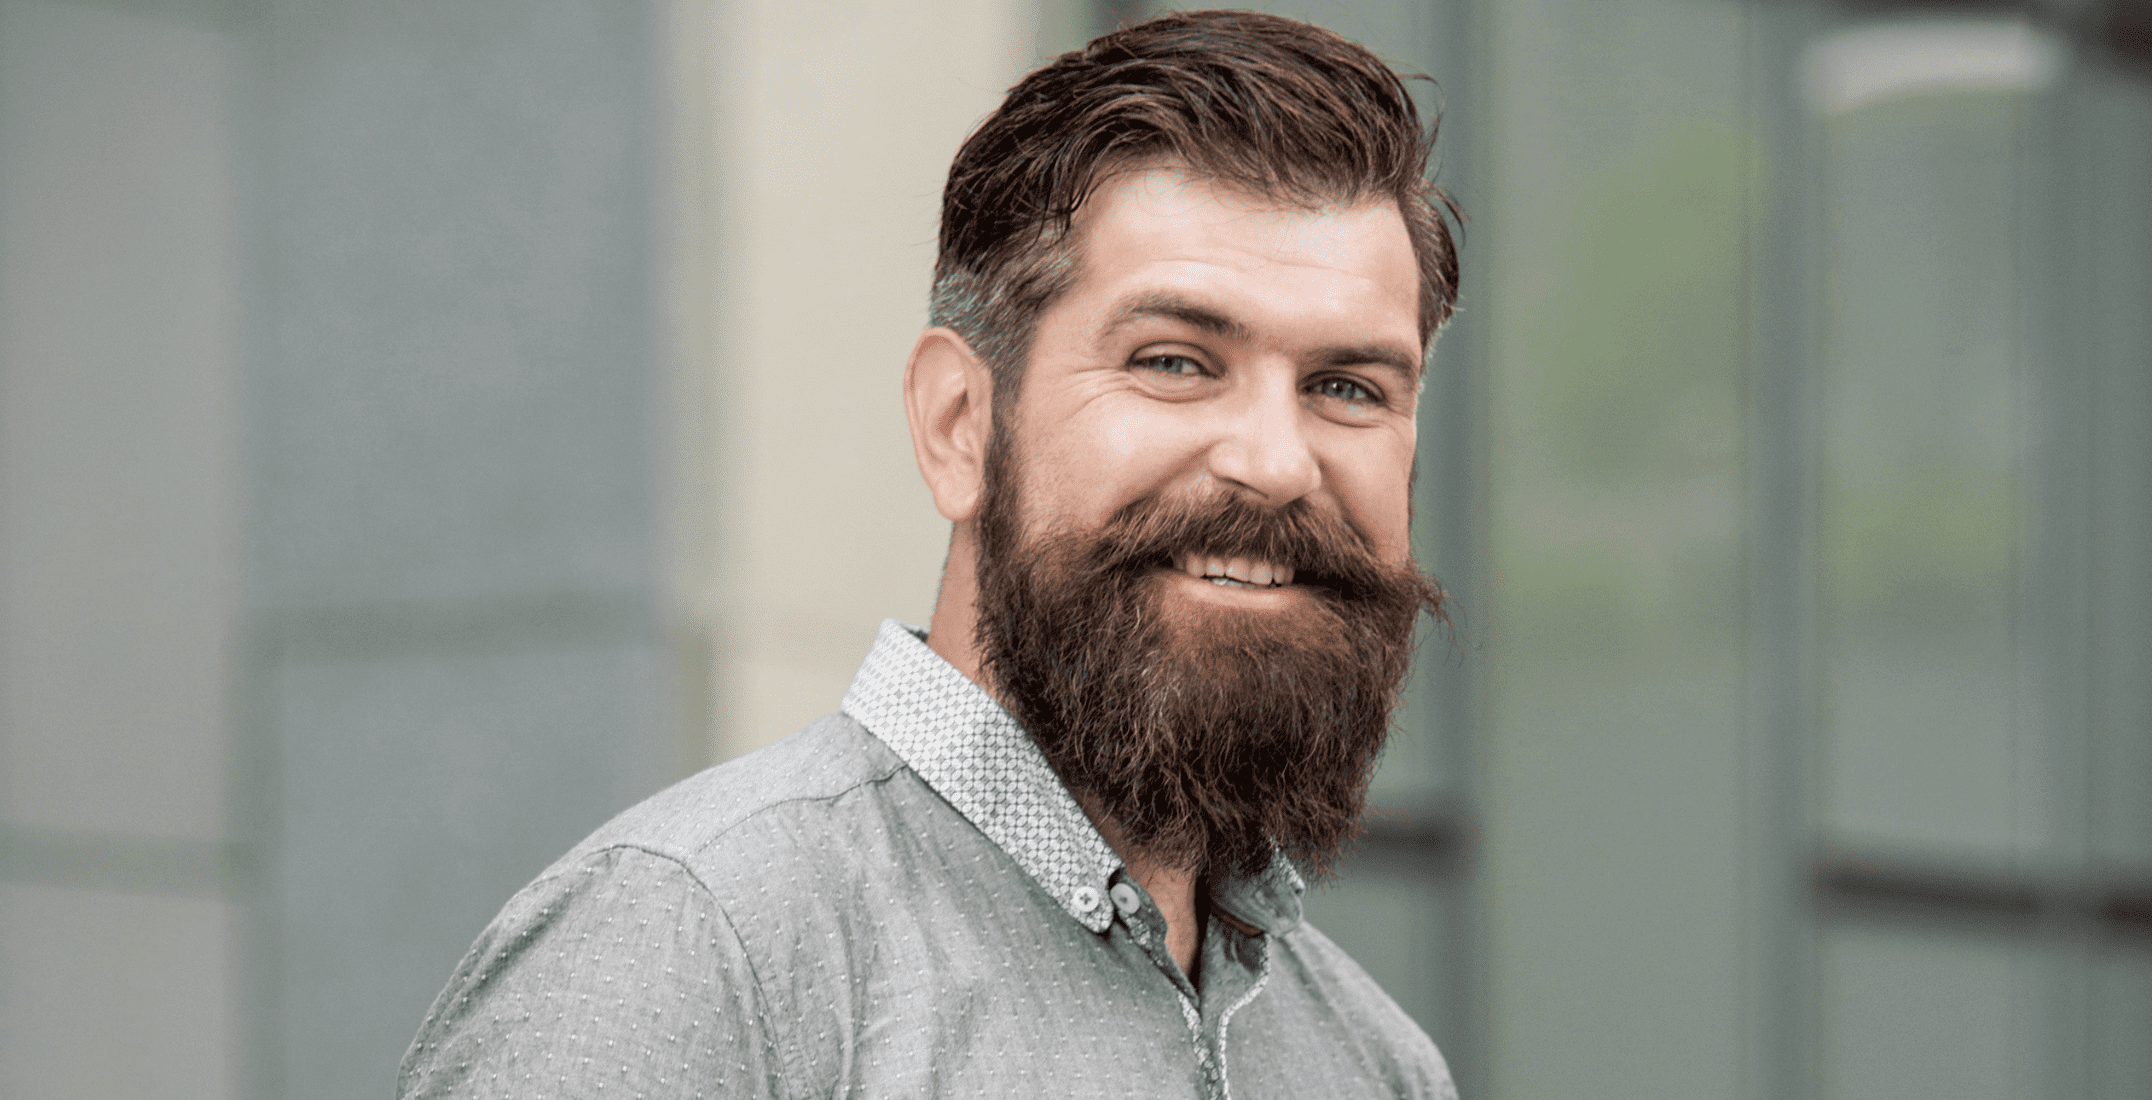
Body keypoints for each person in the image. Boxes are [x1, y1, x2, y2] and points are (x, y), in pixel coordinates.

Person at [399, 9, 1461, 1098]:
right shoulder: (694, 949)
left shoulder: (1373, 1061)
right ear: (960, 423)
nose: (1276, 462)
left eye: (1347, 388)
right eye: (1175, 361)